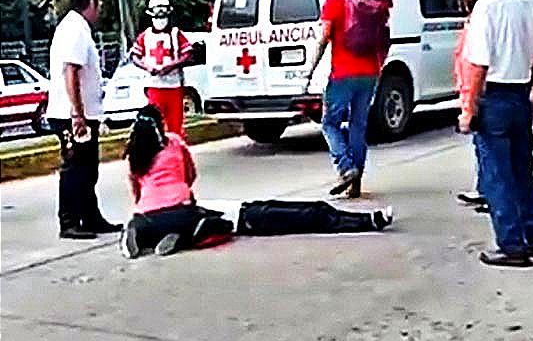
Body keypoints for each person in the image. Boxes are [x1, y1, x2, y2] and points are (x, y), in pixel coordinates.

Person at [120, 105, 393, 259]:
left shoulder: (134, 156)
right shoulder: (175, 143)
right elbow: (190, 178)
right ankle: (367, 221)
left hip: (146, 216)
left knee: (312, 213)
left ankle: (154, 233)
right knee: (312, 213)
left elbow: (136, 192)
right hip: (209, 214)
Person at [458, 0, 533, 267]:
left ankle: (512, 244)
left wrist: (469, 109)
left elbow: (479, 64)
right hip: (521, 92)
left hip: (495, 96)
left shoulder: (487, 6)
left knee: (497, 176)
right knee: (523, 171)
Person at [307, 0, 391, 199]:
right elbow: (384, 40)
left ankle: (345, 167)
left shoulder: (334, 2)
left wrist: (310, 69)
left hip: (343, 74)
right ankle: (356, 182)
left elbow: (323, 38)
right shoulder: (374, 5)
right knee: (358, 125)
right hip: (370, 74)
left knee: (329, 123)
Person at [47, 0, 121, 239]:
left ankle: (91, 217)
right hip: (72, 116)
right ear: (90, 3)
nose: (99, 10)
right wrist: (76, 114)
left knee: (88, 168)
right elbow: (71, 72)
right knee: (75, 169)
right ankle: (68, 222)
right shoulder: (74, 29)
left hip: (83, 113)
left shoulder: (77, 27)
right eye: (98, 4)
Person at [130, 0, 194, 137]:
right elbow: (135, 56)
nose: (160, 19)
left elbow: (188, 54)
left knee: (175, 127)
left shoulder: (176, 34)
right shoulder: (144, 36)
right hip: (154, 87)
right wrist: (147, 67)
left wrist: (171, 66)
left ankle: (176, 155)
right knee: (156, 126)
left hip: (174, 87)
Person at [454, 0, 489, 210]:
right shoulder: (474, 24)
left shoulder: (478, 26)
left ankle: (489, 192)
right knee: (482, 147)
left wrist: (469, 105)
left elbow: (475, 65)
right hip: (471, 88)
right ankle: (484, 189)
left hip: (477, 91)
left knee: (486, 147)